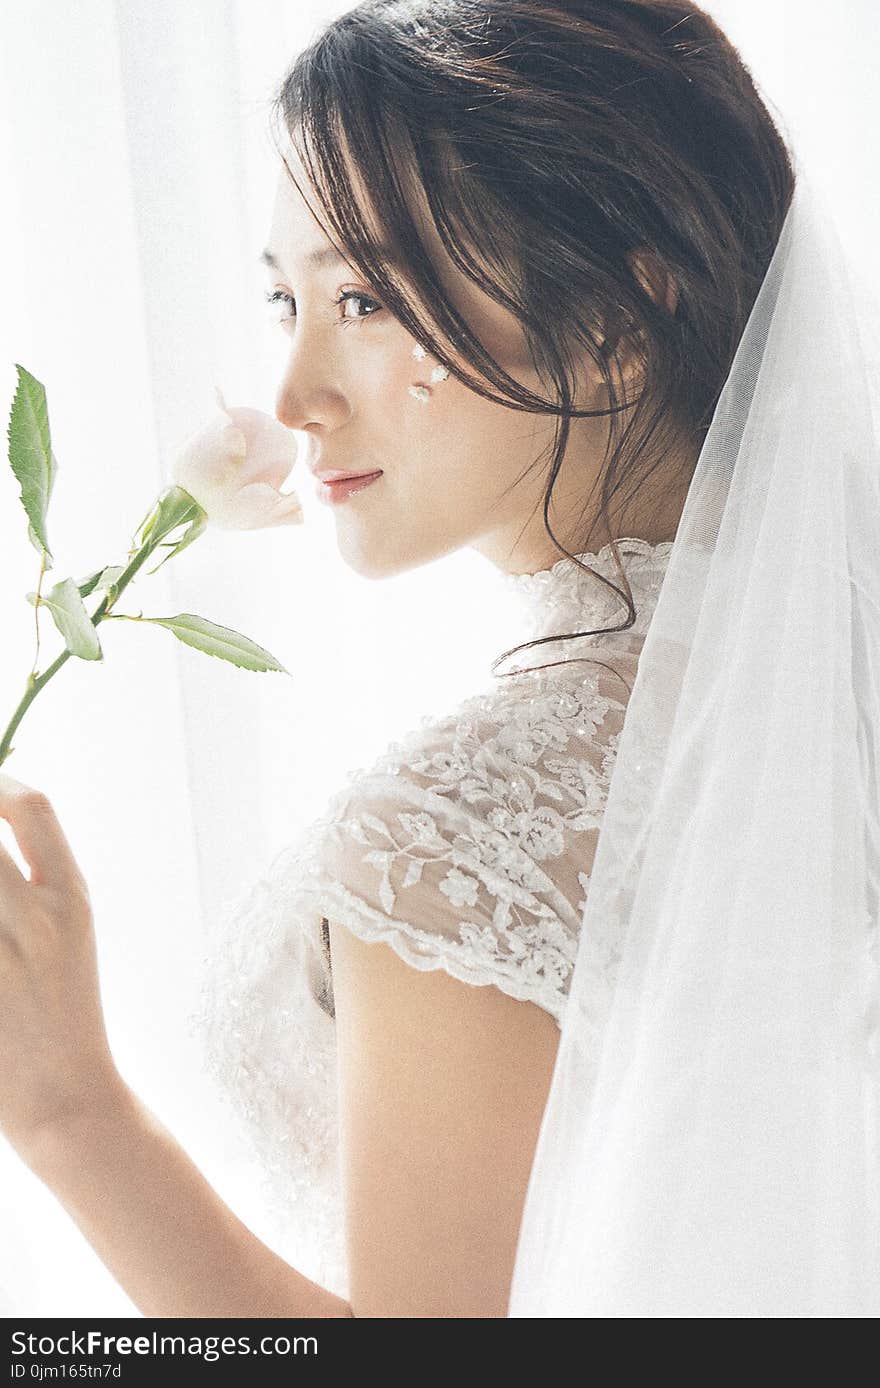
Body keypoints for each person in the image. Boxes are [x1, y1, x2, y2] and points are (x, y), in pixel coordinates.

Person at [1, 0, 874, 1319]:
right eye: (285, 297)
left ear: (618, 323)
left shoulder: (466, 835)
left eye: (362, 297)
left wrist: (71, 1114)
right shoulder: (832, 691)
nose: (294, 395)